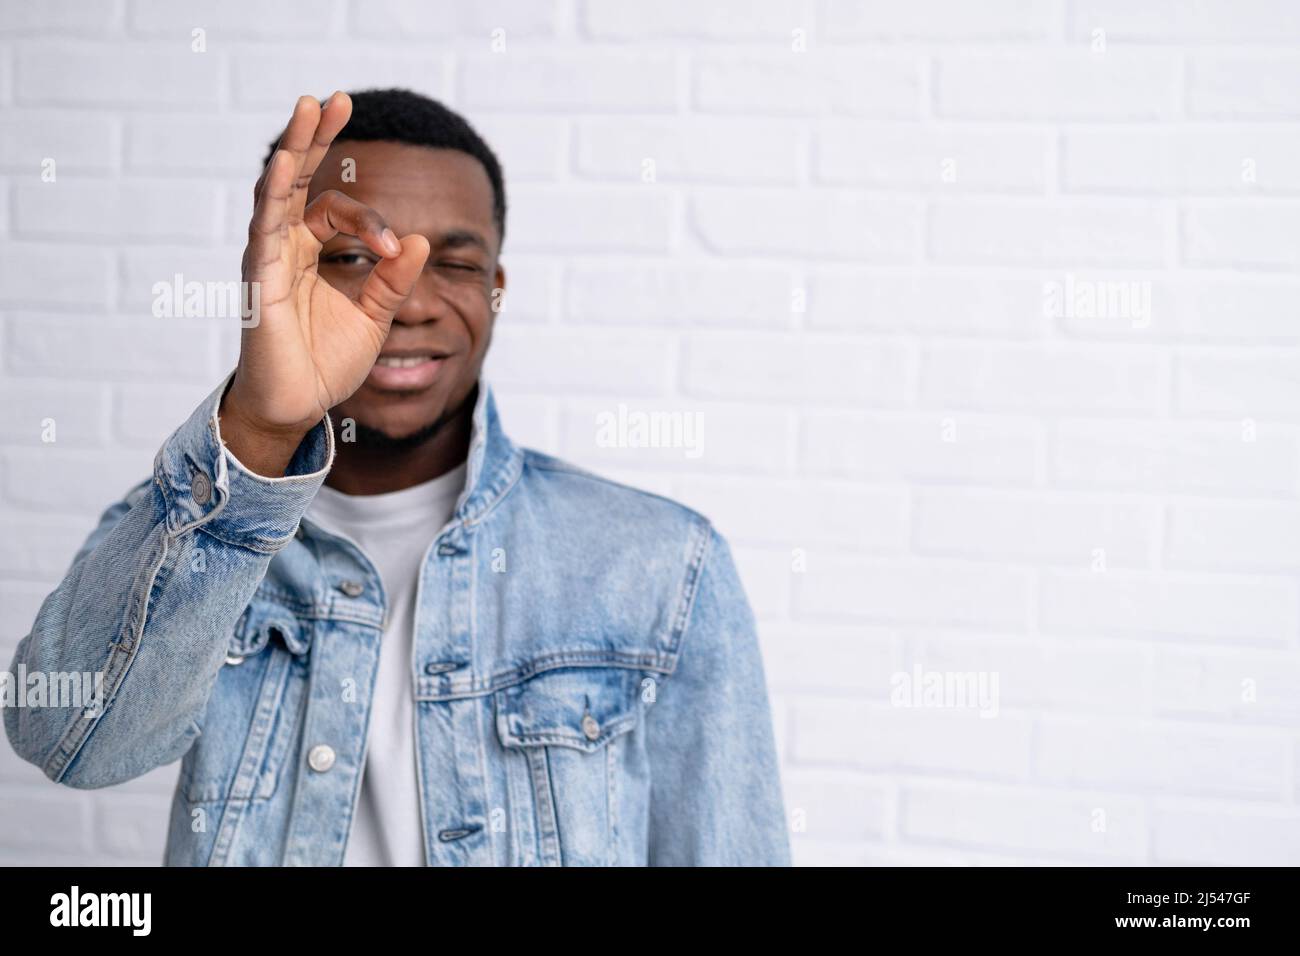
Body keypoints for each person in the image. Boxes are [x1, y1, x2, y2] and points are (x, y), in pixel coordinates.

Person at [4, 88, 790, 867]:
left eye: (453, 263)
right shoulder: (180, 533)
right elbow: (69, 743)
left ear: (497, 290)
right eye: (352, 259)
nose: (405, 304)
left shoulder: (661, 564)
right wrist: (262, 427)